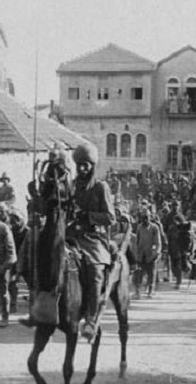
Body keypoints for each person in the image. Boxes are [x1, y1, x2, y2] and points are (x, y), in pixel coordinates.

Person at [70, 142, 115, 341]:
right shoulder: (71, 186)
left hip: (93, 237)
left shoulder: (100, 187)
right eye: (79, 164)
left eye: (85, 165)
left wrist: (88, 216)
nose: (82, 168)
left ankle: (91, 317)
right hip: (71, 235)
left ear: (92, 166)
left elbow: (110, 217)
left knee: (95, 271)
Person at [134, 208, 162, 299]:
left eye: (146, 217)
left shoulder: (155, 228)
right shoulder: (139, 227)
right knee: (139, 274)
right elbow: (137, 240)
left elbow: (157, 242)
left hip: (151, 254)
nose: (145, 220)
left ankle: (150, 291)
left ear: (150, 217)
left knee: (151, 273)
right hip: (141, 254)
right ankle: (137, 292)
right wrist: (136, 251)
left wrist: (156, 252)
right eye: (143, 218)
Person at [162, 199, 186, 288]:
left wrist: (178, 226)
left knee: (178, 262)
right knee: (172, 263)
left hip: (179, 243)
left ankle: (178, 281)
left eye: (176, 205)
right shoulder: (168, 216)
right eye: (174, 205)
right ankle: (176, 277)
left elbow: (185, 229)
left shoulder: (181, 216)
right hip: (170, 242)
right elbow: (164, 227)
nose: (175, 207)